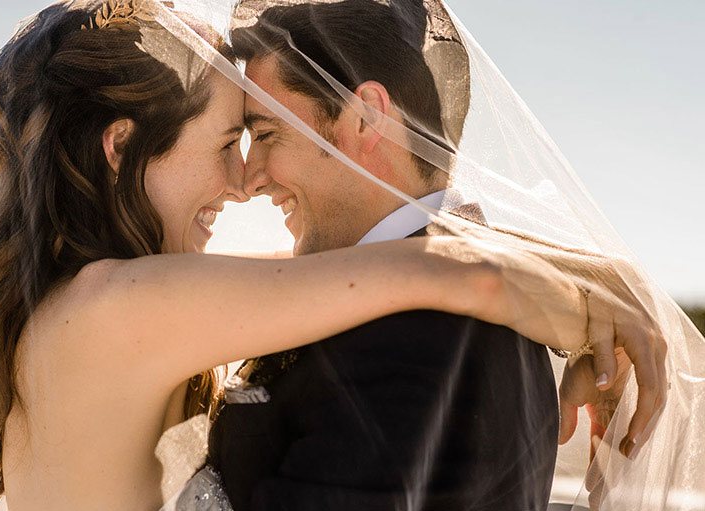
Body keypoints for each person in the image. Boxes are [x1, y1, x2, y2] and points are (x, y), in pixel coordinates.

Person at [0, 2, 630, 510]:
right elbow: (444, 271)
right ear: (120, 148)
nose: (243, 183)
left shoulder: (92, 302)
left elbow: (357, 274)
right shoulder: (114, 307)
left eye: (261, 135)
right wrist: (606, 302)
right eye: (227, 142)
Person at [199, 1, 668, 510]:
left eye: (267, 134)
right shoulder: (456, 286)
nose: (251, 178)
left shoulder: (422, 333)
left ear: (365, 118)